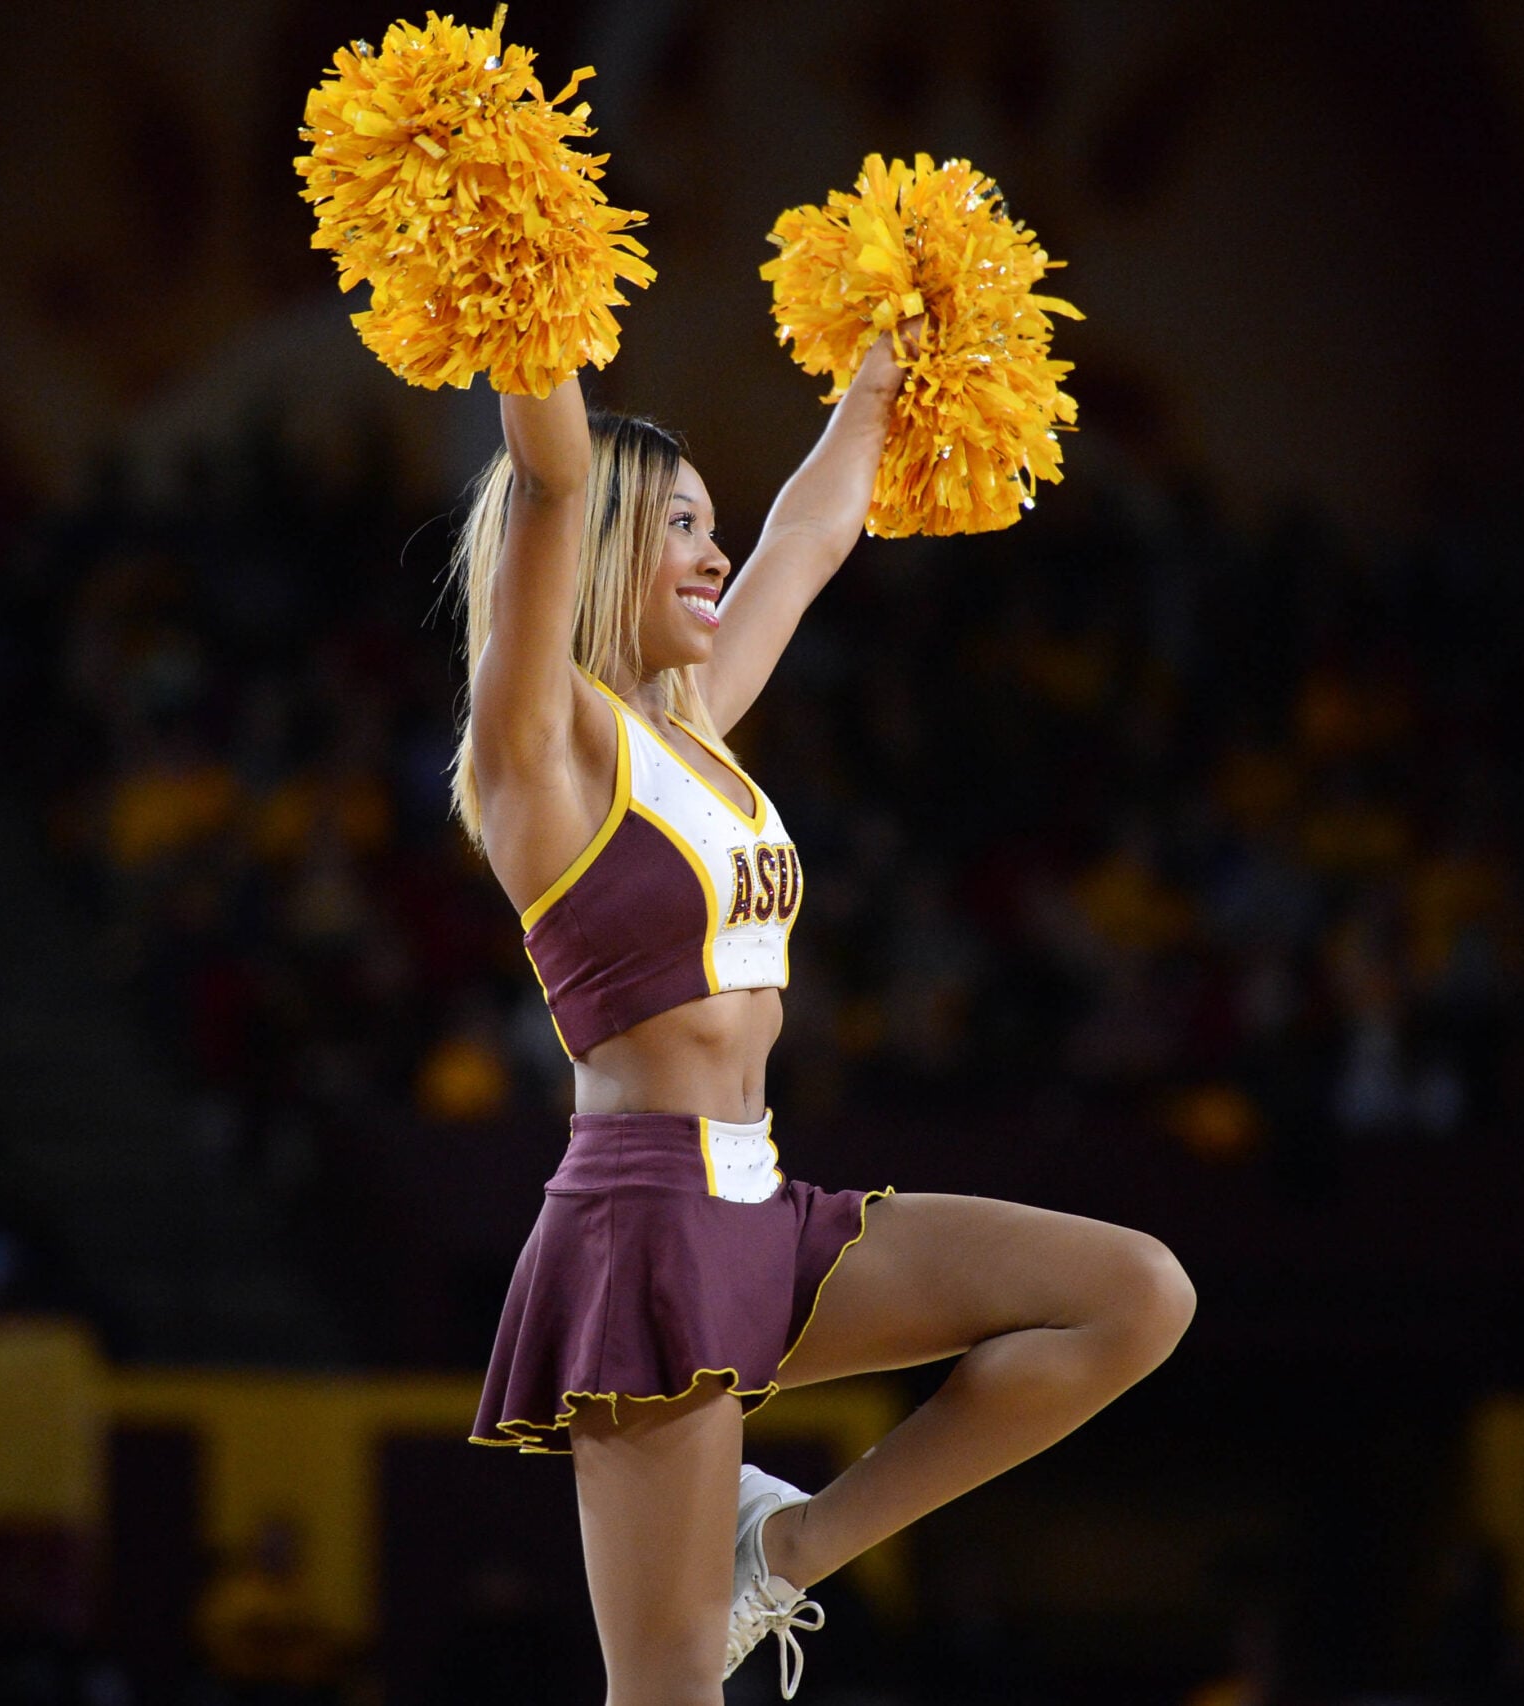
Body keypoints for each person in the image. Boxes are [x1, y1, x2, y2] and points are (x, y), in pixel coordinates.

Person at [454, 335, 1197, 1703]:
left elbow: (810, 532)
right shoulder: (542, 749)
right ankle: (745, 1567)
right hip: (649, 1224)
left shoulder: (700, 732)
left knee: (1138, 1295)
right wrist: (527, 297)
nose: (713, 553)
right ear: (607, 539)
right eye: (679, 524)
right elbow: (551, 479)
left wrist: (879, 376)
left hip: (768, 1205)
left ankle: (785, 1541)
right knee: (668, 1689)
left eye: (710, 527)